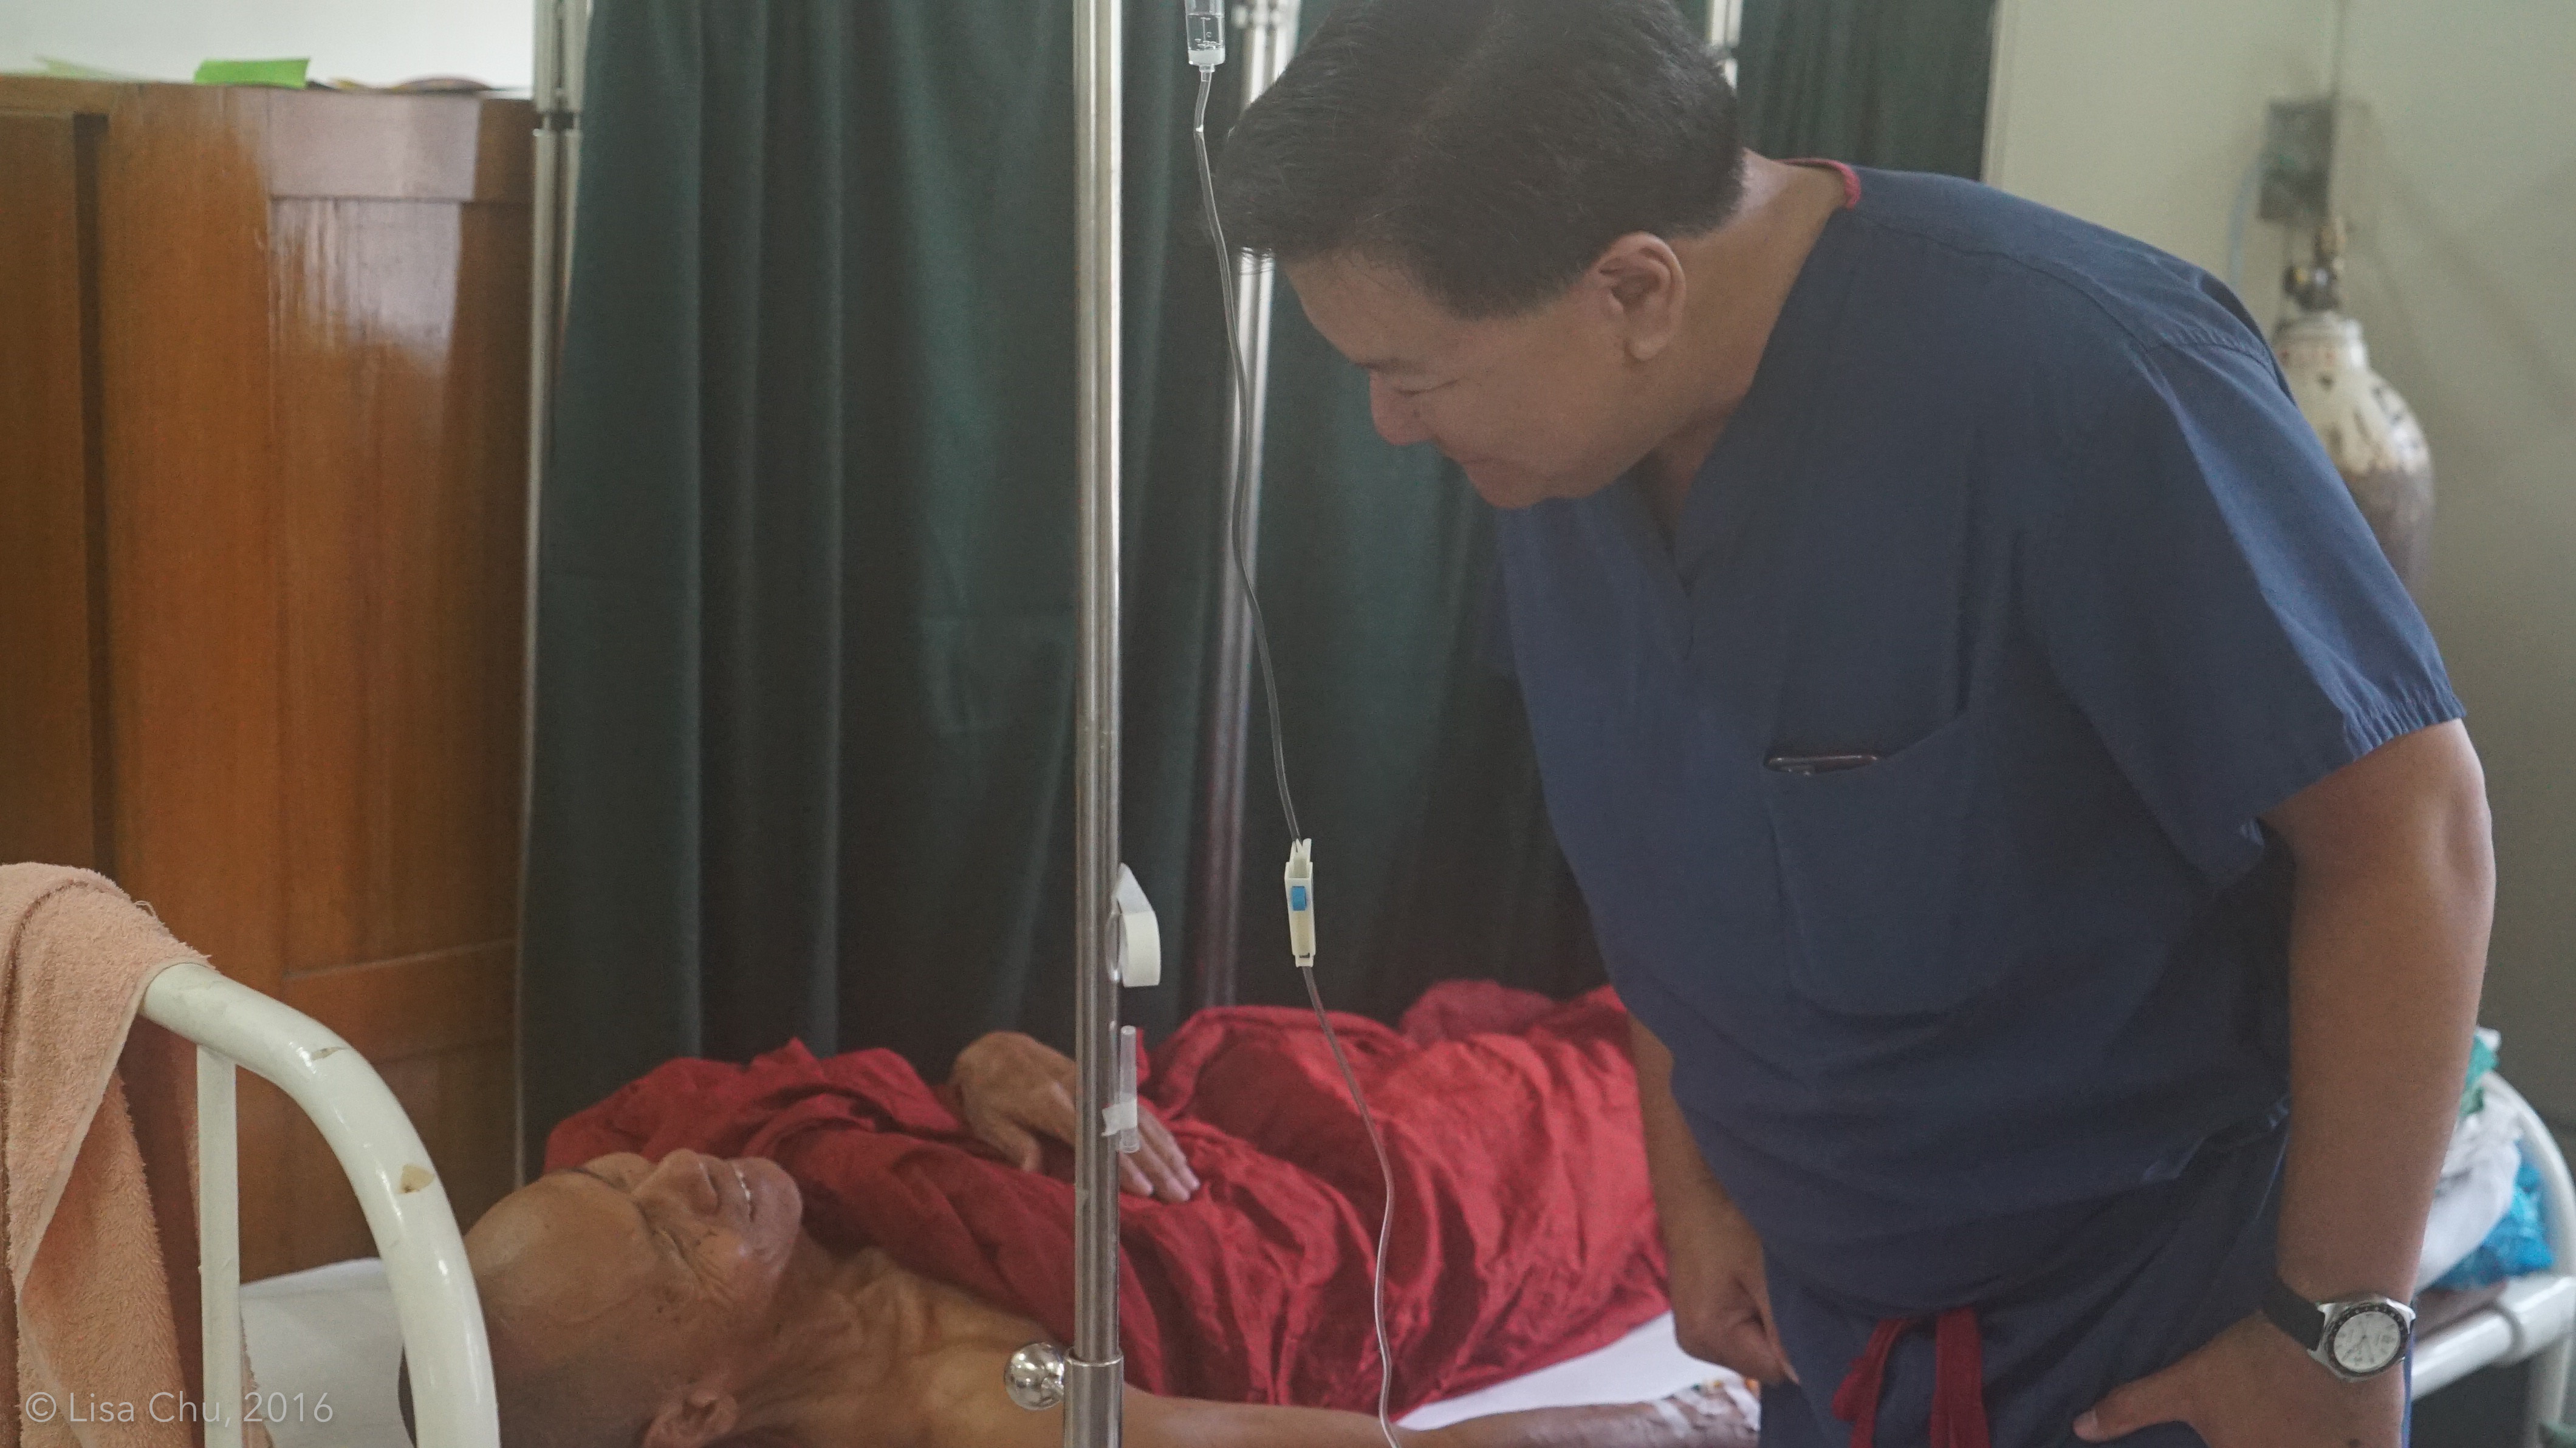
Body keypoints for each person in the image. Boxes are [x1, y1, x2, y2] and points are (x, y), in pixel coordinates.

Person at [1210, 2, 2493, 1446]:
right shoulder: (1560, 455)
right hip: (1822, 1326)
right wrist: (1690, 1191)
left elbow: (2409, 832)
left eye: (1415, 375)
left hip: (2147, 1328)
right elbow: (1667, 845)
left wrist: (2333, 1334)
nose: (1388, 424)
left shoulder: (2081, 379)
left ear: (1633, 292)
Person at [434, 1014, 1758, 1448]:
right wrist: (1668, 1424)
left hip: (1224, 1109)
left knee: (1566, 1037)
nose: (683, 1174)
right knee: (1681, 1097)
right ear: (697, 1412)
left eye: (626, 1182)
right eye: (669, 1244)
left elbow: (887, 1114)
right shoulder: (983, 1400)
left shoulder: (709, 1162)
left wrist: (983, 1066)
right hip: (1364, 1234)